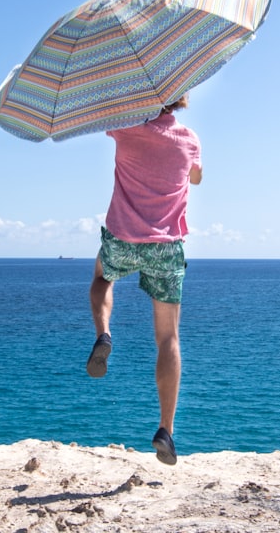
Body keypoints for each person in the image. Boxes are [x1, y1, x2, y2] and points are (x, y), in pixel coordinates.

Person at [86, 93, 202, 466]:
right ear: (181, 100)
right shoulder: (189, 139)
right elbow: (196, 178)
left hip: (123, 238)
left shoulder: (125, 129)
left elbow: (100, 117)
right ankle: (165, 430)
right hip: (167, 248)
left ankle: (103, 334)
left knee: (102, 278)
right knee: (168, 337)